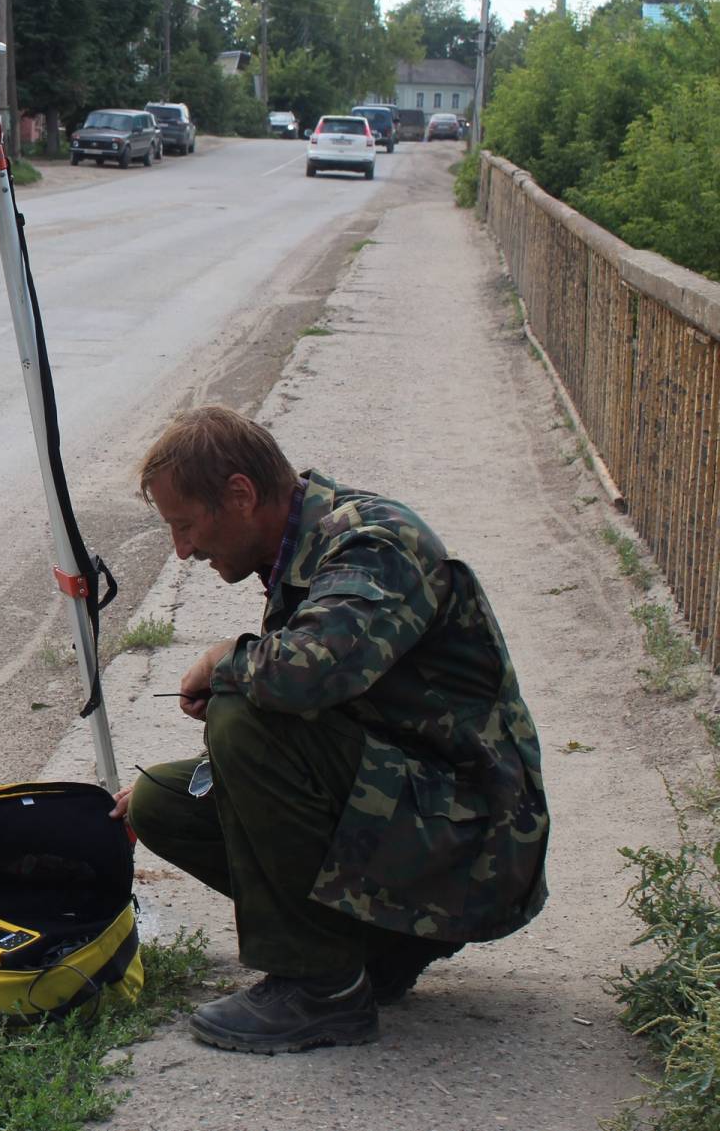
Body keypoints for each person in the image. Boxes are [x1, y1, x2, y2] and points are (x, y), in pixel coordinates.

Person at [111, 406, 549, 1055]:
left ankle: (321, 986)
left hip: (477, 839)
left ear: (240, 494)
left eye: (185, 524)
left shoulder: (372, 541)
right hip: (420, 813)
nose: (182, 549)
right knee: (162, 802)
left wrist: (227, 656)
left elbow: (305, 677)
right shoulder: (303, 550)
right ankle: (379, 948)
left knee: (242, 715)